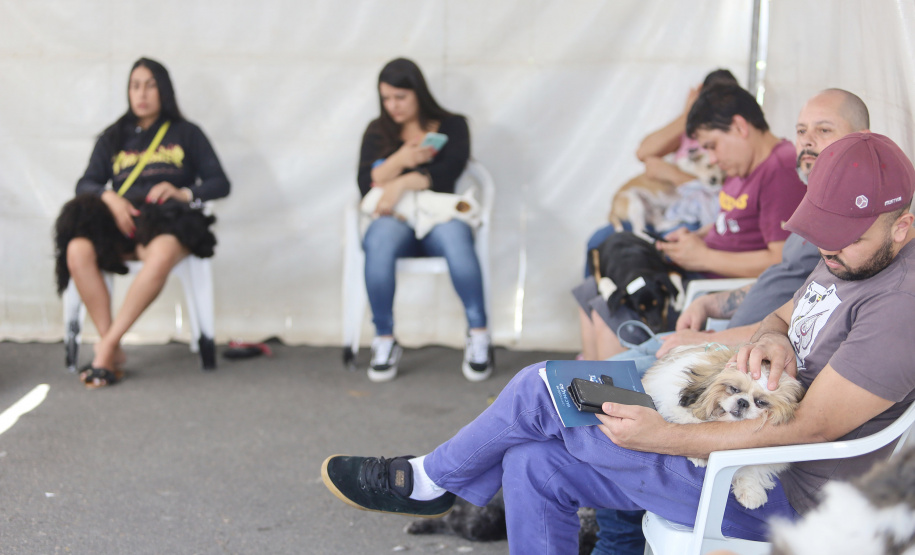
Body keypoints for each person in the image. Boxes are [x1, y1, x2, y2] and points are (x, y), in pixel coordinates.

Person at [321, 131, 915, 553]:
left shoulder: (900, 307)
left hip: (773, 489)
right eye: (825, 237)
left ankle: (432, 480)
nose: (828, 252)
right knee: (532, 463)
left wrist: (664, 436)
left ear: (903, 226)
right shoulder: (848, 257)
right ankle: (438, 479)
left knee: (540, 391)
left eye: (843, 241)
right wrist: (774, 337)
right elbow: (785, 314)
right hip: (735, 444)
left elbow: (811, 428)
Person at [590, 87, 870, 555]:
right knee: (602, 370)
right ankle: (606, 522)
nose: (806, 142)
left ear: (861, 140)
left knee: (601, 396)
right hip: (734, 336)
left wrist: (706, 332)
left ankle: (614, 538)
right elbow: (784, 291)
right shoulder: (817, 208)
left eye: (824, 131)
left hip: (739, 357)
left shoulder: (849, 236)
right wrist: (715, 302)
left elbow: (794, 321)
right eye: (802, 130)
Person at [576, 84, 806, 361]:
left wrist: (704, 258)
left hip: (709, 286)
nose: (712, 159)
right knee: (592, 287)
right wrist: (697, 236)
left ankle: (609, 394)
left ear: (739, 127)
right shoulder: (743, 164)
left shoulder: (778, 168)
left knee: (610, 310)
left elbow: (781, 260)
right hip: (698, 270)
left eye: (712, 146)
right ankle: (587, 381)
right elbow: (731, 222)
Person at [53, 57, 230, 388]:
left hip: (167, 221)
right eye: (135, 85)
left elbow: (220, 183)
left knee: (162, 253)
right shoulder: (113, 136)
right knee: (76, 248)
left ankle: (105, 347)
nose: (142, 93)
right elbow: (86, 183)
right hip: (123, 222)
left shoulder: (187, 133)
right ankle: (113, 345)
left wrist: (183, 192)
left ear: (163, 89)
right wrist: (109, 198)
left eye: (150, 84)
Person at [356, 58, 491, 383]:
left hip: (438, 214)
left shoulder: (452, 125)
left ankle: (479, 334)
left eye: (400, 97)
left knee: (456, 237)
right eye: (386, 98)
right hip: (396, 219)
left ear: (418, 92)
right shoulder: (378, 131)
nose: (393, 106)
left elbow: (450, 172)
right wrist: (402, 157)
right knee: (379, 238)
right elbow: (363, 184)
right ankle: (384, 339)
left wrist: (401, 181)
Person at [584, 69, 739, 277]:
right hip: (663, 210)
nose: (712, 107)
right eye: (707, 99)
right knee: (598, 240)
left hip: (693, 218)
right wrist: (688, 115)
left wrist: (672, 174)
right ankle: (598, 304)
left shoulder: (731, 138)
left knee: (642, 249)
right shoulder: (692, 129)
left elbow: (719, 190)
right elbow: (644, 152)